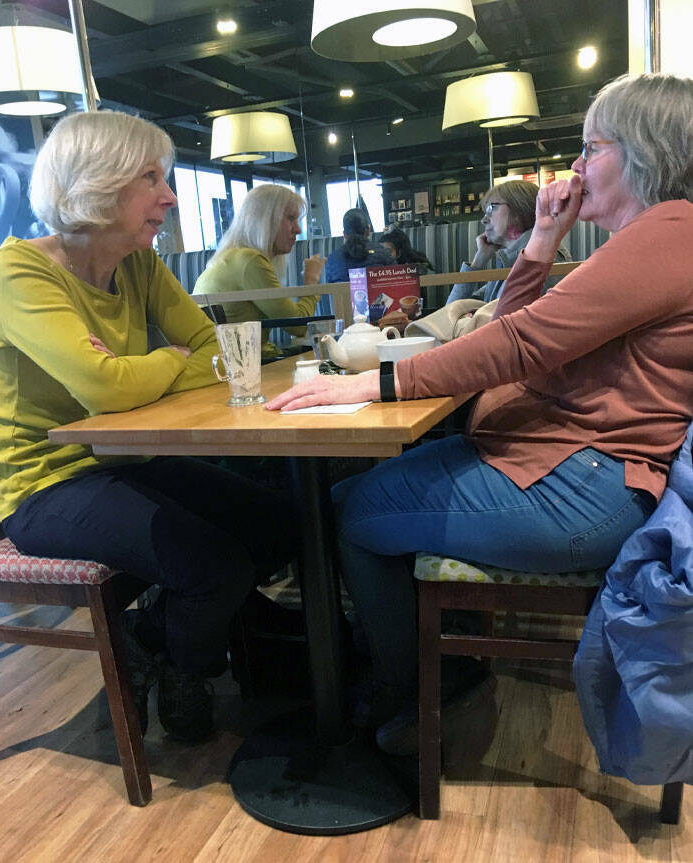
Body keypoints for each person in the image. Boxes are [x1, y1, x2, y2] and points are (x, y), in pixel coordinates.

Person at [267, 73, 693, 756]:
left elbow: (516, 345)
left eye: (591, 148)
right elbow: (511, 328)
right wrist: (543, 236)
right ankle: (422, 658)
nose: (577, 166)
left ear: (645, 152)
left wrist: (377, 382)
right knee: (345, 495)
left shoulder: (669, 234)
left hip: (585, 487)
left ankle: (407, 691)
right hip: (564, 464)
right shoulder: (651, 239)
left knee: (353, 515)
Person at [0, 110, 297, 743]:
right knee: (213, 565)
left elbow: (219, 355)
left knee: (279, 525)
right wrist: (168, 361)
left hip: (125, 459)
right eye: (150, 178)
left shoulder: (139, 263)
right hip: (46, 486)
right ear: (97, 183)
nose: (170, 196)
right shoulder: (18, 272)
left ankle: (147, 638)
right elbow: (107, 387)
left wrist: (146, 370)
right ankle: (188, 674)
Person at [193, 184, 326, 359]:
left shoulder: (232, 257)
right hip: (247, 365)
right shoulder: (249, 261)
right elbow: (298, 326)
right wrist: (311, 282)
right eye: (290, 218)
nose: (298, 229)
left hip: (237, 361)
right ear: (265, 220)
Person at [446, 179, 571, 304]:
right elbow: (453, 308)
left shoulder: (542, 258)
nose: (484, 220)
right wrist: (478, 261)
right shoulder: (512, 257)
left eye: (491, 208)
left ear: (518, 208)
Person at [324, 207, 392, 283]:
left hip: (344, 291)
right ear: (368, 231)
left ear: (344, 234)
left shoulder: (332, 259)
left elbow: (329, 288)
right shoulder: (384, 254)